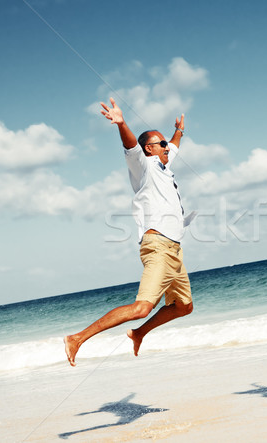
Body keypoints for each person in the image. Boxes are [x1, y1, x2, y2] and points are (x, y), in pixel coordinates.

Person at [63, 97, 193, 366]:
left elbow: (174, 147)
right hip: (158, 245)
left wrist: (178, 132)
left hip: (174, 249)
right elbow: (131, 146)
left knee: (184, 306)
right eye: (162, 144)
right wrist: (121, 124)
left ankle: (138, 333)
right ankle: (77, 338)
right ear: (149, 148)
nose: (168, 148)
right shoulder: (143, 166)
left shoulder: (163, 165)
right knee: (141, 307)